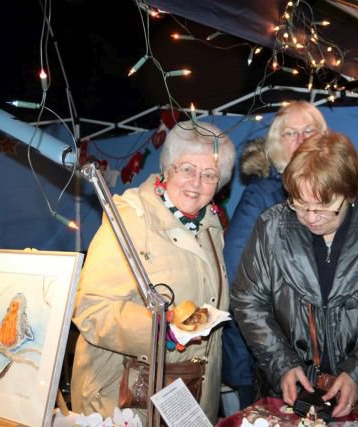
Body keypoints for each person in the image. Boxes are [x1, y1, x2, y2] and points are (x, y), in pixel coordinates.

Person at [231, 131, 358, 425]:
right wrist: (281, 363)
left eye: (324, 207)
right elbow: (249, 302)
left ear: (350, 193)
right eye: (299, 204)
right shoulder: (270, 227)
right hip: (291, 393)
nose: (311, 217)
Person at [71, 121, 236, 424]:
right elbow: (90, 308)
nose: (196, 182)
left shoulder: (212, 228)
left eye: (209, 175)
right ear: (168, 167)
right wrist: (161, 331)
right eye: (187, 169)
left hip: (191, 398)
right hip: (126, 401)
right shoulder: (129, 220)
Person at [222, 101, 327, 410]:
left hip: (315, 353)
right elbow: (236, 273)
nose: (301, 140)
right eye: (290, 133)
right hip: (261, 353)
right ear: (277, 144)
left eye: (309, 131)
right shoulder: (263, 195)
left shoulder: (333, 192)